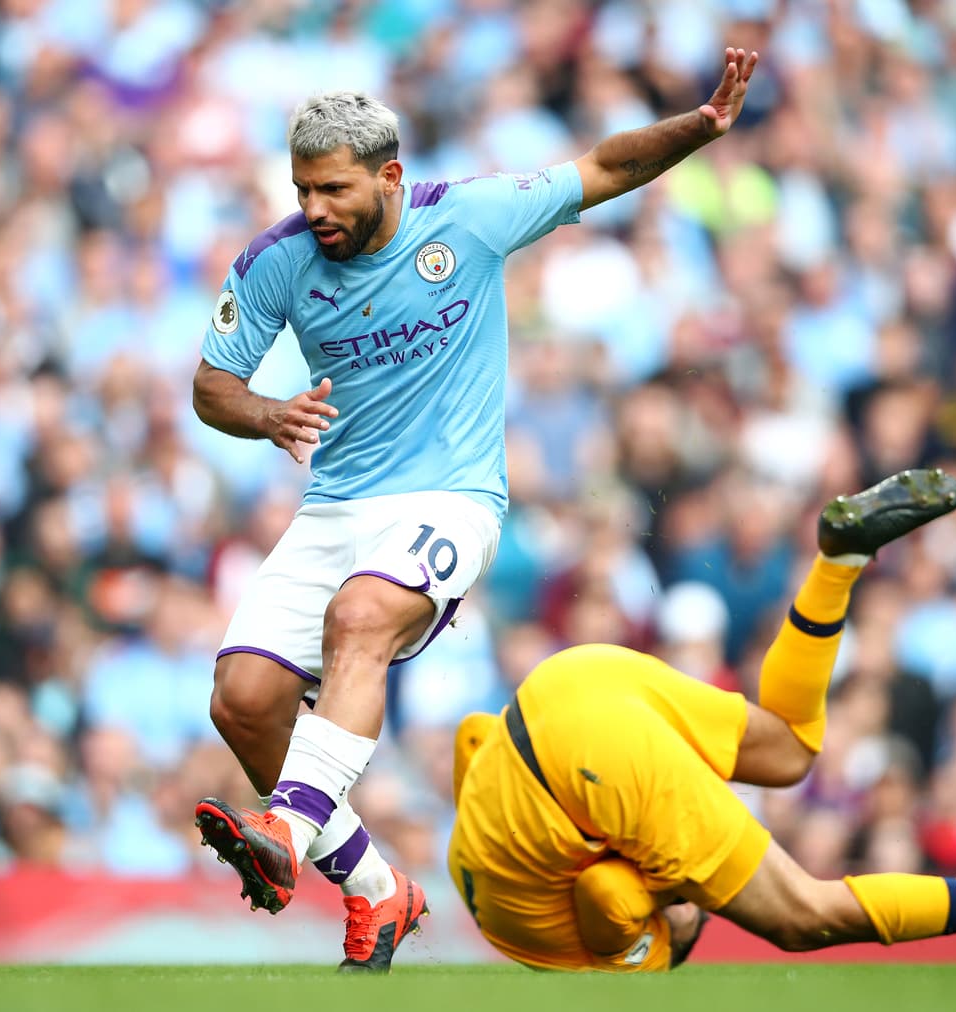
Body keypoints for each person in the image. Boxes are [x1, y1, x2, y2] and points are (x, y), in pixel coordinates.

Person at [190, 49, 761, 972]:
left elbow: (605, 166)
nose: (314, 209)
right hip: (335, 504)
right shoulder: (273, 262)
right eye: (302, 190)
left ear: (389, 177)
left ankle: (284, 834)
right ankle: (379, 890)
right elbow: (212, 385)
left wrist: (700, 126)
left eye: (333, 189)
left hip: (451, 500)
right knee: (243, 703)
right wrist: (267, 414)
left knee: (360, 617)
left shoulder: (470, 217)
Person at [448, 469, 956, 973]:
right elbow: (472, 735)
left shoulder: (630, 954)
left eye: (688, 909)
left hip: (588, 763)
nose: (695, 896)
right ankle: (836, 563)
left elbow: (611, 896)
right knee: (790, 750)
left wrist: (659, 890)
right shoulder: (471, 871)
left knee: (802, 916)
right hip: (568, 680)